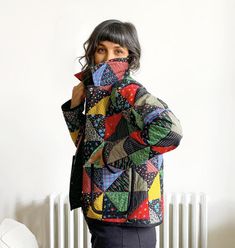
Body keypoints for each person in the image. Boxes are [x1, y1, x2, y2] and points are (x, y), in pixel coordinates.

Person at [61, 19, 183, 248]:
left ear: (129, 56)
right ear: (92, 54)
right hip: (103, 212)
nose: (108, 59)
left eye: (117, 51)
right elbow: (87, 147)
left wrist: (111, 154)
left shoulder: (127, 90)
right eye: (101, 50)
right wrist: (75, 109)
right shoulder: (100, 92)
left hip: (126, 219)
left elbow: (170, 130)